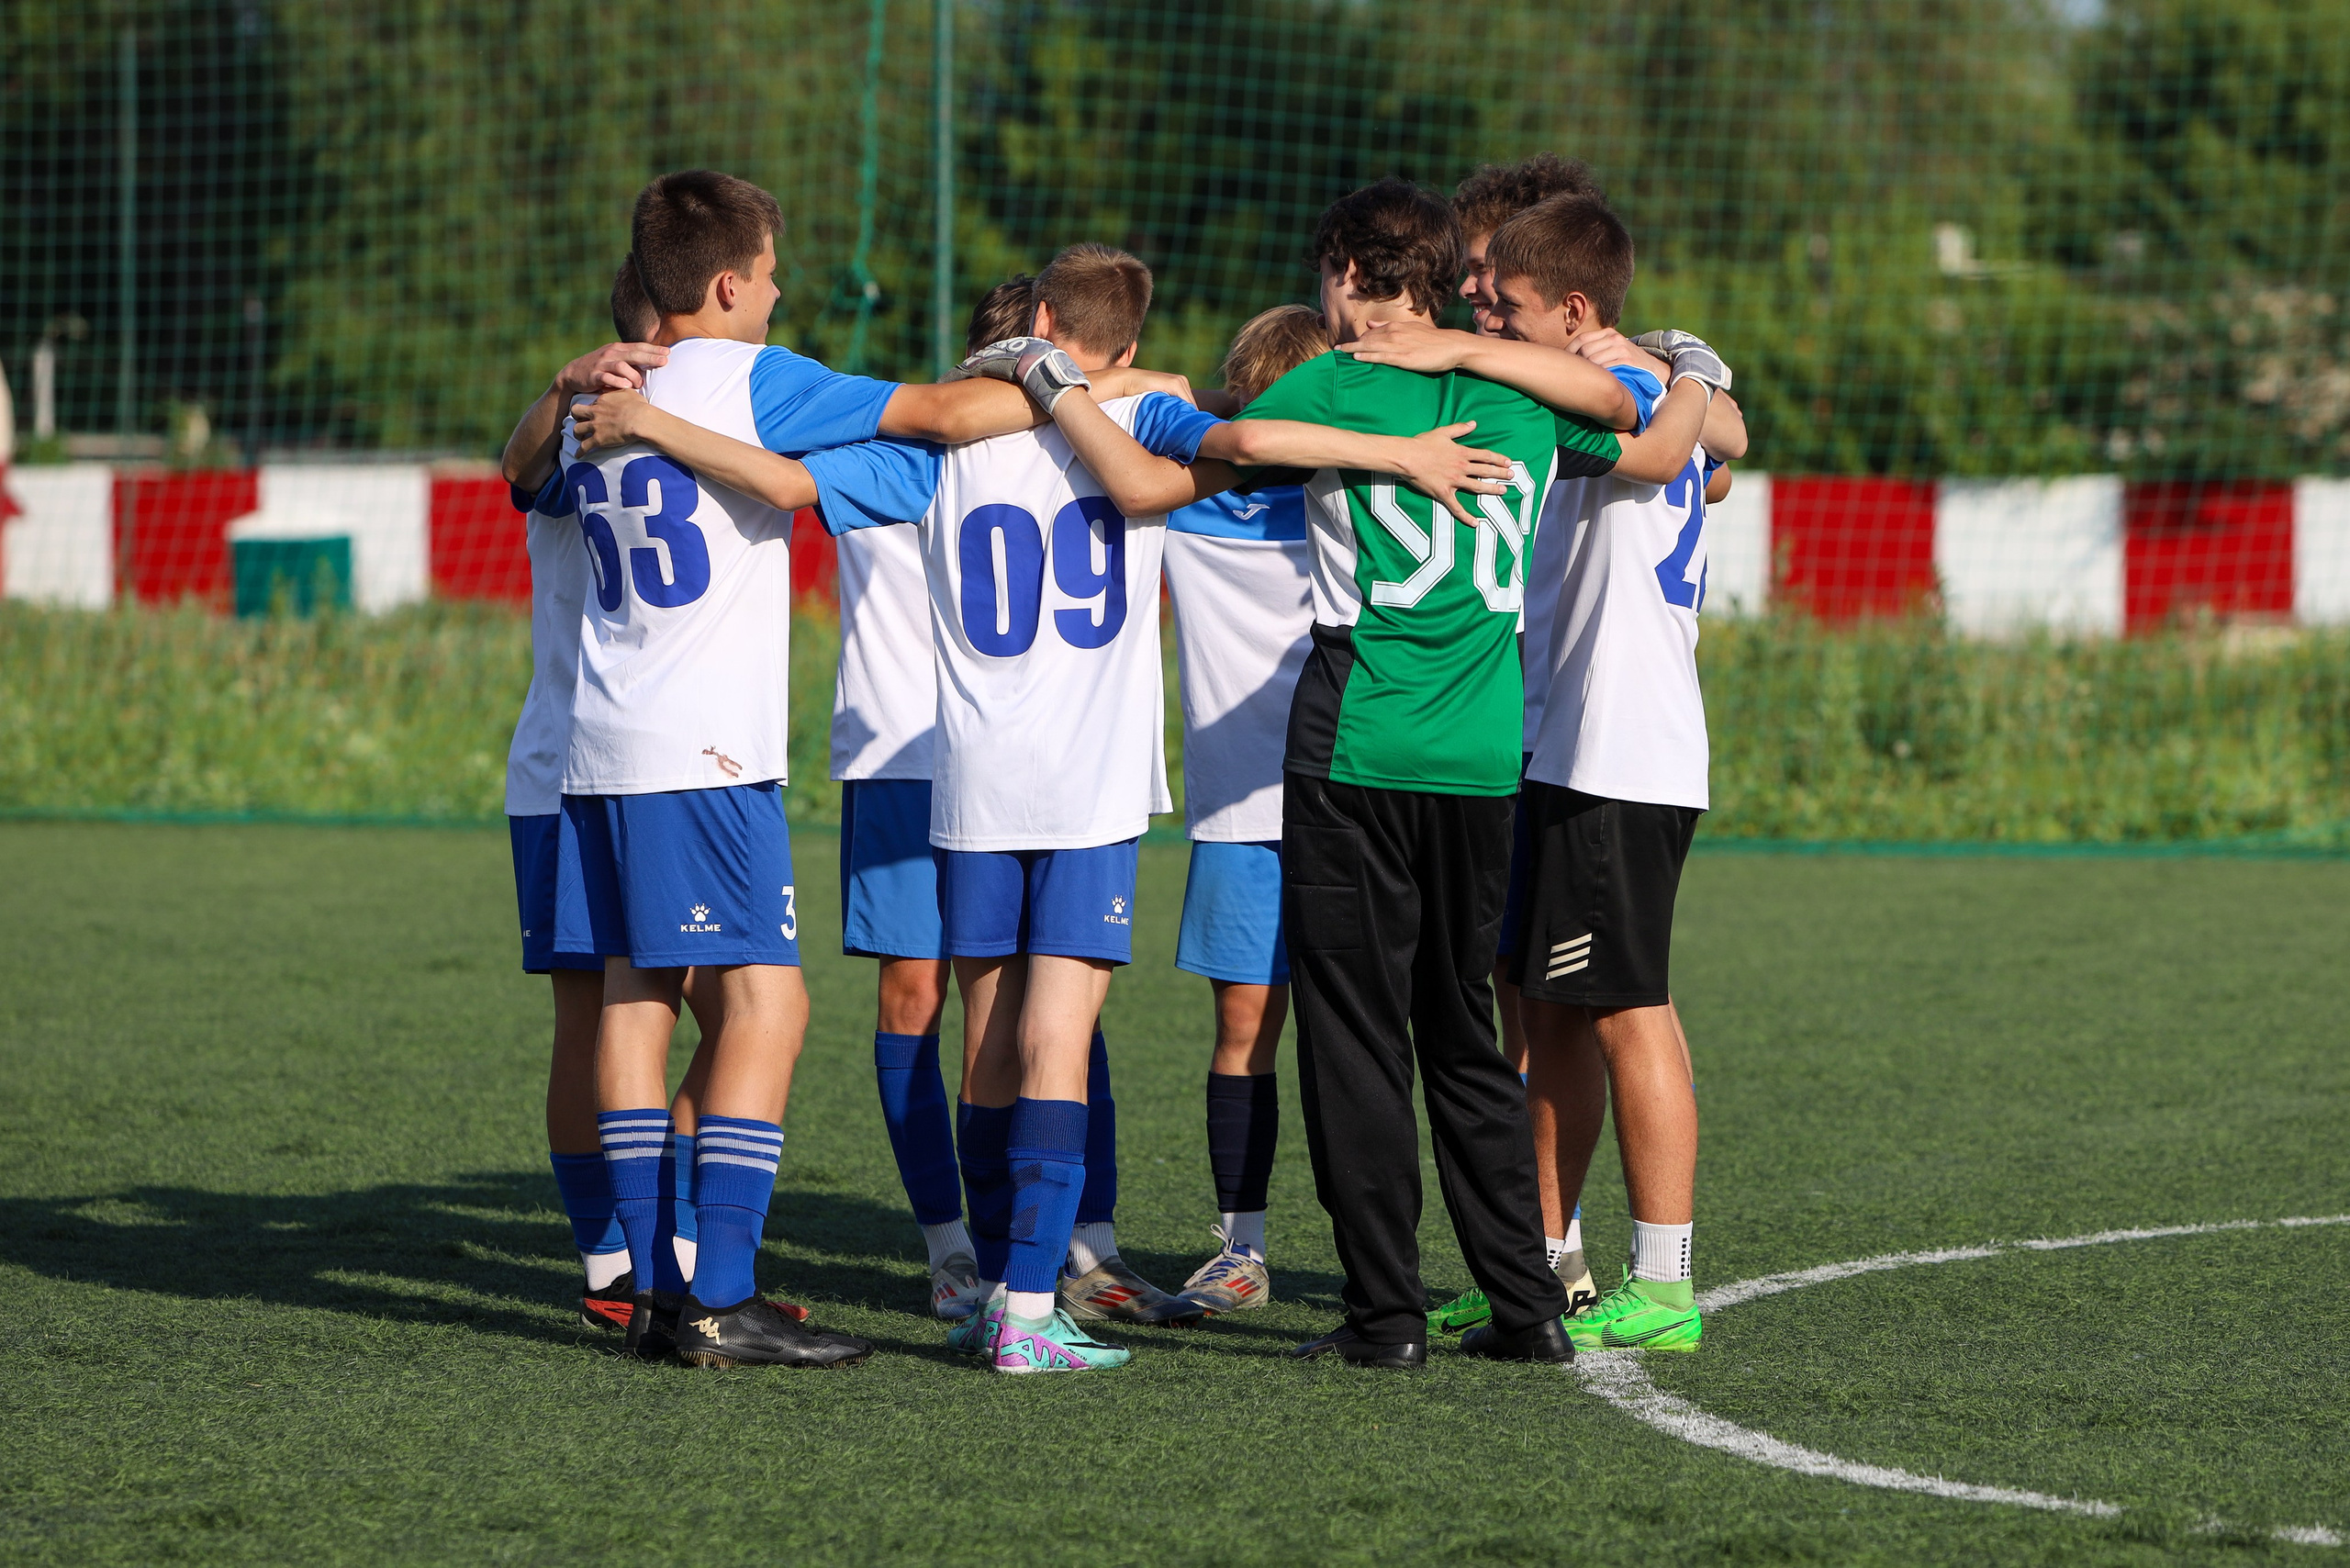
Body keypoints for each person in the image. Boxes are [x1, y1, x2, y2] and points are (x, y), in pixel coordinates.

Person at [596, 240, 1521, 1370]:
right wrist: (1369, 443)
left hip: (973, 780)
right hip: (1089, 784)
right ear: (1124, 345)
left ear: (1030, 317)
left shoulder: (940, 447)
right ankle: (1029, 1313)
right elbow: (1243, 432)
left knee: (985, 1036)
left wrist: (652, 423)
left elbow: (787, 484)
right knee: (1056, 1041)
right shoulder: (1140, 418)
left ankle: (991, 1282)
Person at [507, 169, 1069, 1369]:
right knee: (772, 1004)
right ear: (726, 284)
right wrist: (1077, 385)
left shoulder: (607, 389)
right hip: (705, 752)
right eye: (769, 273)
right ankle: (722, 1292)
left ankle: (655, 1289)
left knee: (631, 1003)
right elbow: (940, 415)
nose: (779, 291)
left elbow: (523, 477)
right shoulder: (756, 377)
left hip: (600, 748)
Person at [1186, 176, 1717, 1369]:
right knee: (1469, 1036)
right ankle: (1525, 1303)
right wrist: (1693, 374)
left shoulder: (1341, 377)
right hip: (1483, 756)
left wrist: (1385, 450)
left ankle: (1384, 1315)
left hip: (1359, 739)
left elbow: (1238, 436)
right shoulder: (1516, 393)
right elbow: (1643, 432)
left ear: (1349, 276)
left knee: (1355, 1036)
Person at [1345, 191, 1747, 1343]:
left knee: (1629, 1008)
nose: (1490, 319)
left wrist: (1678, 375)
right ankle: (1539, 1262)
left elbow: (1684, 442)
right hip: (1562, 746)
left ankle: (1664, 1284)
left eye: (1506, 303)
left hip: (1622, 751)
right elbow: (1715, 450)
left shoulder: (1625, 388)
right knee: (1552, 1016)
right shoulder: (1633, 379)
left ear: (1573, 308)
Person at [505, 258, 809, 1336]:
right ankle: (638, 1261)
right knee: (671, 1004)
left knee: (657, 1002)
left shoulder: (596, 424)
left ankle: (656, 1258)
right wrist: (566, 393)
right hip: (595, 760)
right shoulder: (606, 421)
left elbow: (516, 469)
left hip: (584, 758)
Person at [834, 274, 1040, 1323]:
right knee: (913, 993)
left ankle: (1035, 1248)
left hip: (1003, 751)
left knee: (1007, 1001)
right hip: (894, 761)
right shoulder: (888, 445)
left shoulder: (1060, 454)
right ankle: (946, 1243)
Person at [1157, 305, 1328, 1316]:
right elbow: (1152, 403)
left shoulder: (1367, 501)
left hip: (1353, 804)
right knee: (1243, 1031)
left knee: (1363, 1038)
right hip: (1236, 816)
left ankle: (1373, 1242)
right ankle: (1242, 1246)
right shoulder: (1187, 508)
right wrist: (1238, 409)